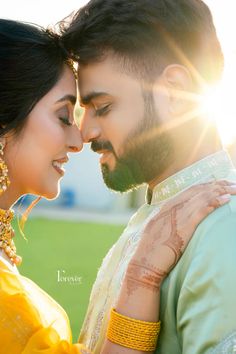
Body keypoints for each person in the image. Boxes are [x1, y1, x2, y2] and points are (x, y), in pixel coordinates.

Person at [1, 18, 233, 354]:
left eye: (103, 107)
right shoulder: (159, 229)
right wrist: (143, 276)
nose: (82, 136)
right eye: (66, 115)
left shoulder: (221, 227)